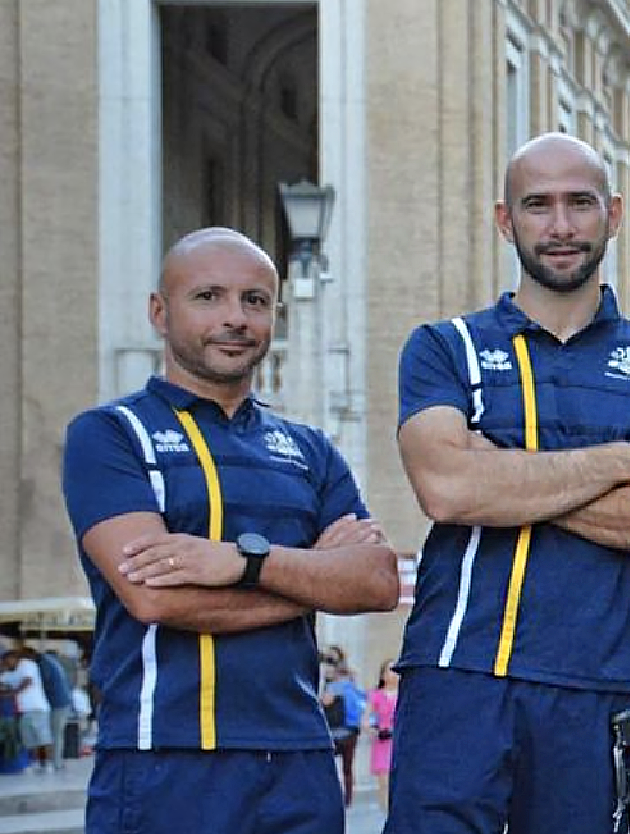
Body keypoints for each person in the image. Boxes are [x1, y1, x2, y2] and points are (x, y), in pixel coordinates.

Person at [387, 131, 630, 834]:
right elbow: (448, 490)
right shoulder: (446, 347)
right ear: (506, 220)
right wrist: (623, 460)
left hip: (596, 687)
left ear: (615, 214)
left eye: (581, 203)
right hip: (457, 673)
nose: (561, 225)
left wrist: (502, 474)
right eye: (538, 205)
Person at [60, 227, 399, 833]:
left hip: (299, 760)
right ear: (159, 312)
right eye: (208, 297)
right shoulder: (110, 435)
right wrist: (312, 576)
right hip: (162, 757)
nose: (235, 318)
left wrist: (245, 563)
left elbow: (375, 583)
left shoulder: (308, 450)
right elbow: (152, 595)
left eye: (255, 300)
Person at [319, 661, 367, 805]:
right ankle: (348, 798)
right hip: (350, 731)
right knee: (348, 766)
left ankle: (333, 796)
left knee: (329, 766)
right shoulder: (354, 689)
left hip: (334, 732)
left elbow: (324, 702)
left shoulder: (332, 688)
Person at [0, 650, 52, 774]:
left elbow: (27, 681)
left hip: (36, 707)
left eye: (8, 662)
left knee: (42, 738)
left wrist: (13, 693)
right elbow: (4, 680)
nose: (7, 665)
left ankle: (47, 763)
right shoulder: (15, 672)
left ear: (13, 658)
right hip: (24, 710)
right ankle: (34, 763)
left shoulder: (27, 664)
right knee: (28, 738)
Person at [30, 648, 75, 770]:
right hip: (62, 702)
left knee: (56, 734)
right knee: (57, 734)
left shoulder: (44, 664)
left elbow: (44, 682)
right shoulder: (50, 661)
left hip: (57, 703)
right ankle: (57, 762)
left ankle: (57, 763)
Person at [368, 660, 400, 811]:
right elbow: (366, 719)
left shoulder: (404, 695)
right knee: (384, 783)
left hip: (400, 742)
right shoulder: (376, 695)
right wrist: (375, 731)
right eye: (389, 670)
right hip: (383, 743)